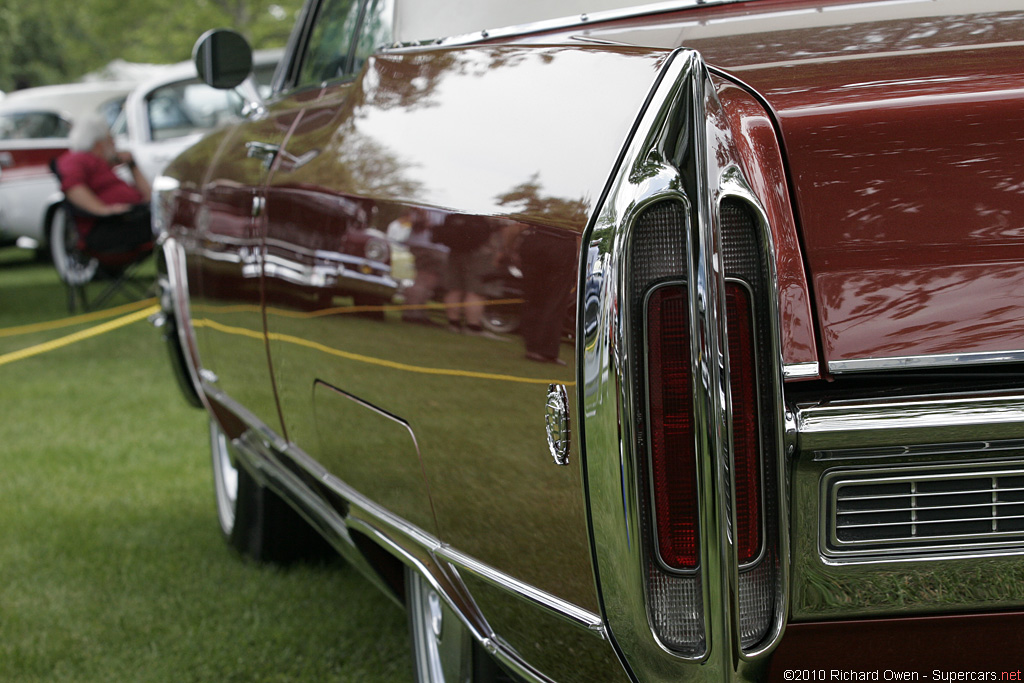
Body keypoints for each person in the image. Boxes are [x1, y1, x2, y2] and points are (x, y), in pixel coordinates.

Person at [55, 115, 152, 252]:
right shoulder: (77, 159)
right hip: (108, 226)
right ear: (99, 144)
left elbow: (149, 197)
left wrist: (132, 164)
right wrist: (103, 210)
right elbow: (72, 186)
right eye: (111, 140)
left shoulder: (100, 165)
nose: (115, 145)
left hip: (129, 219)